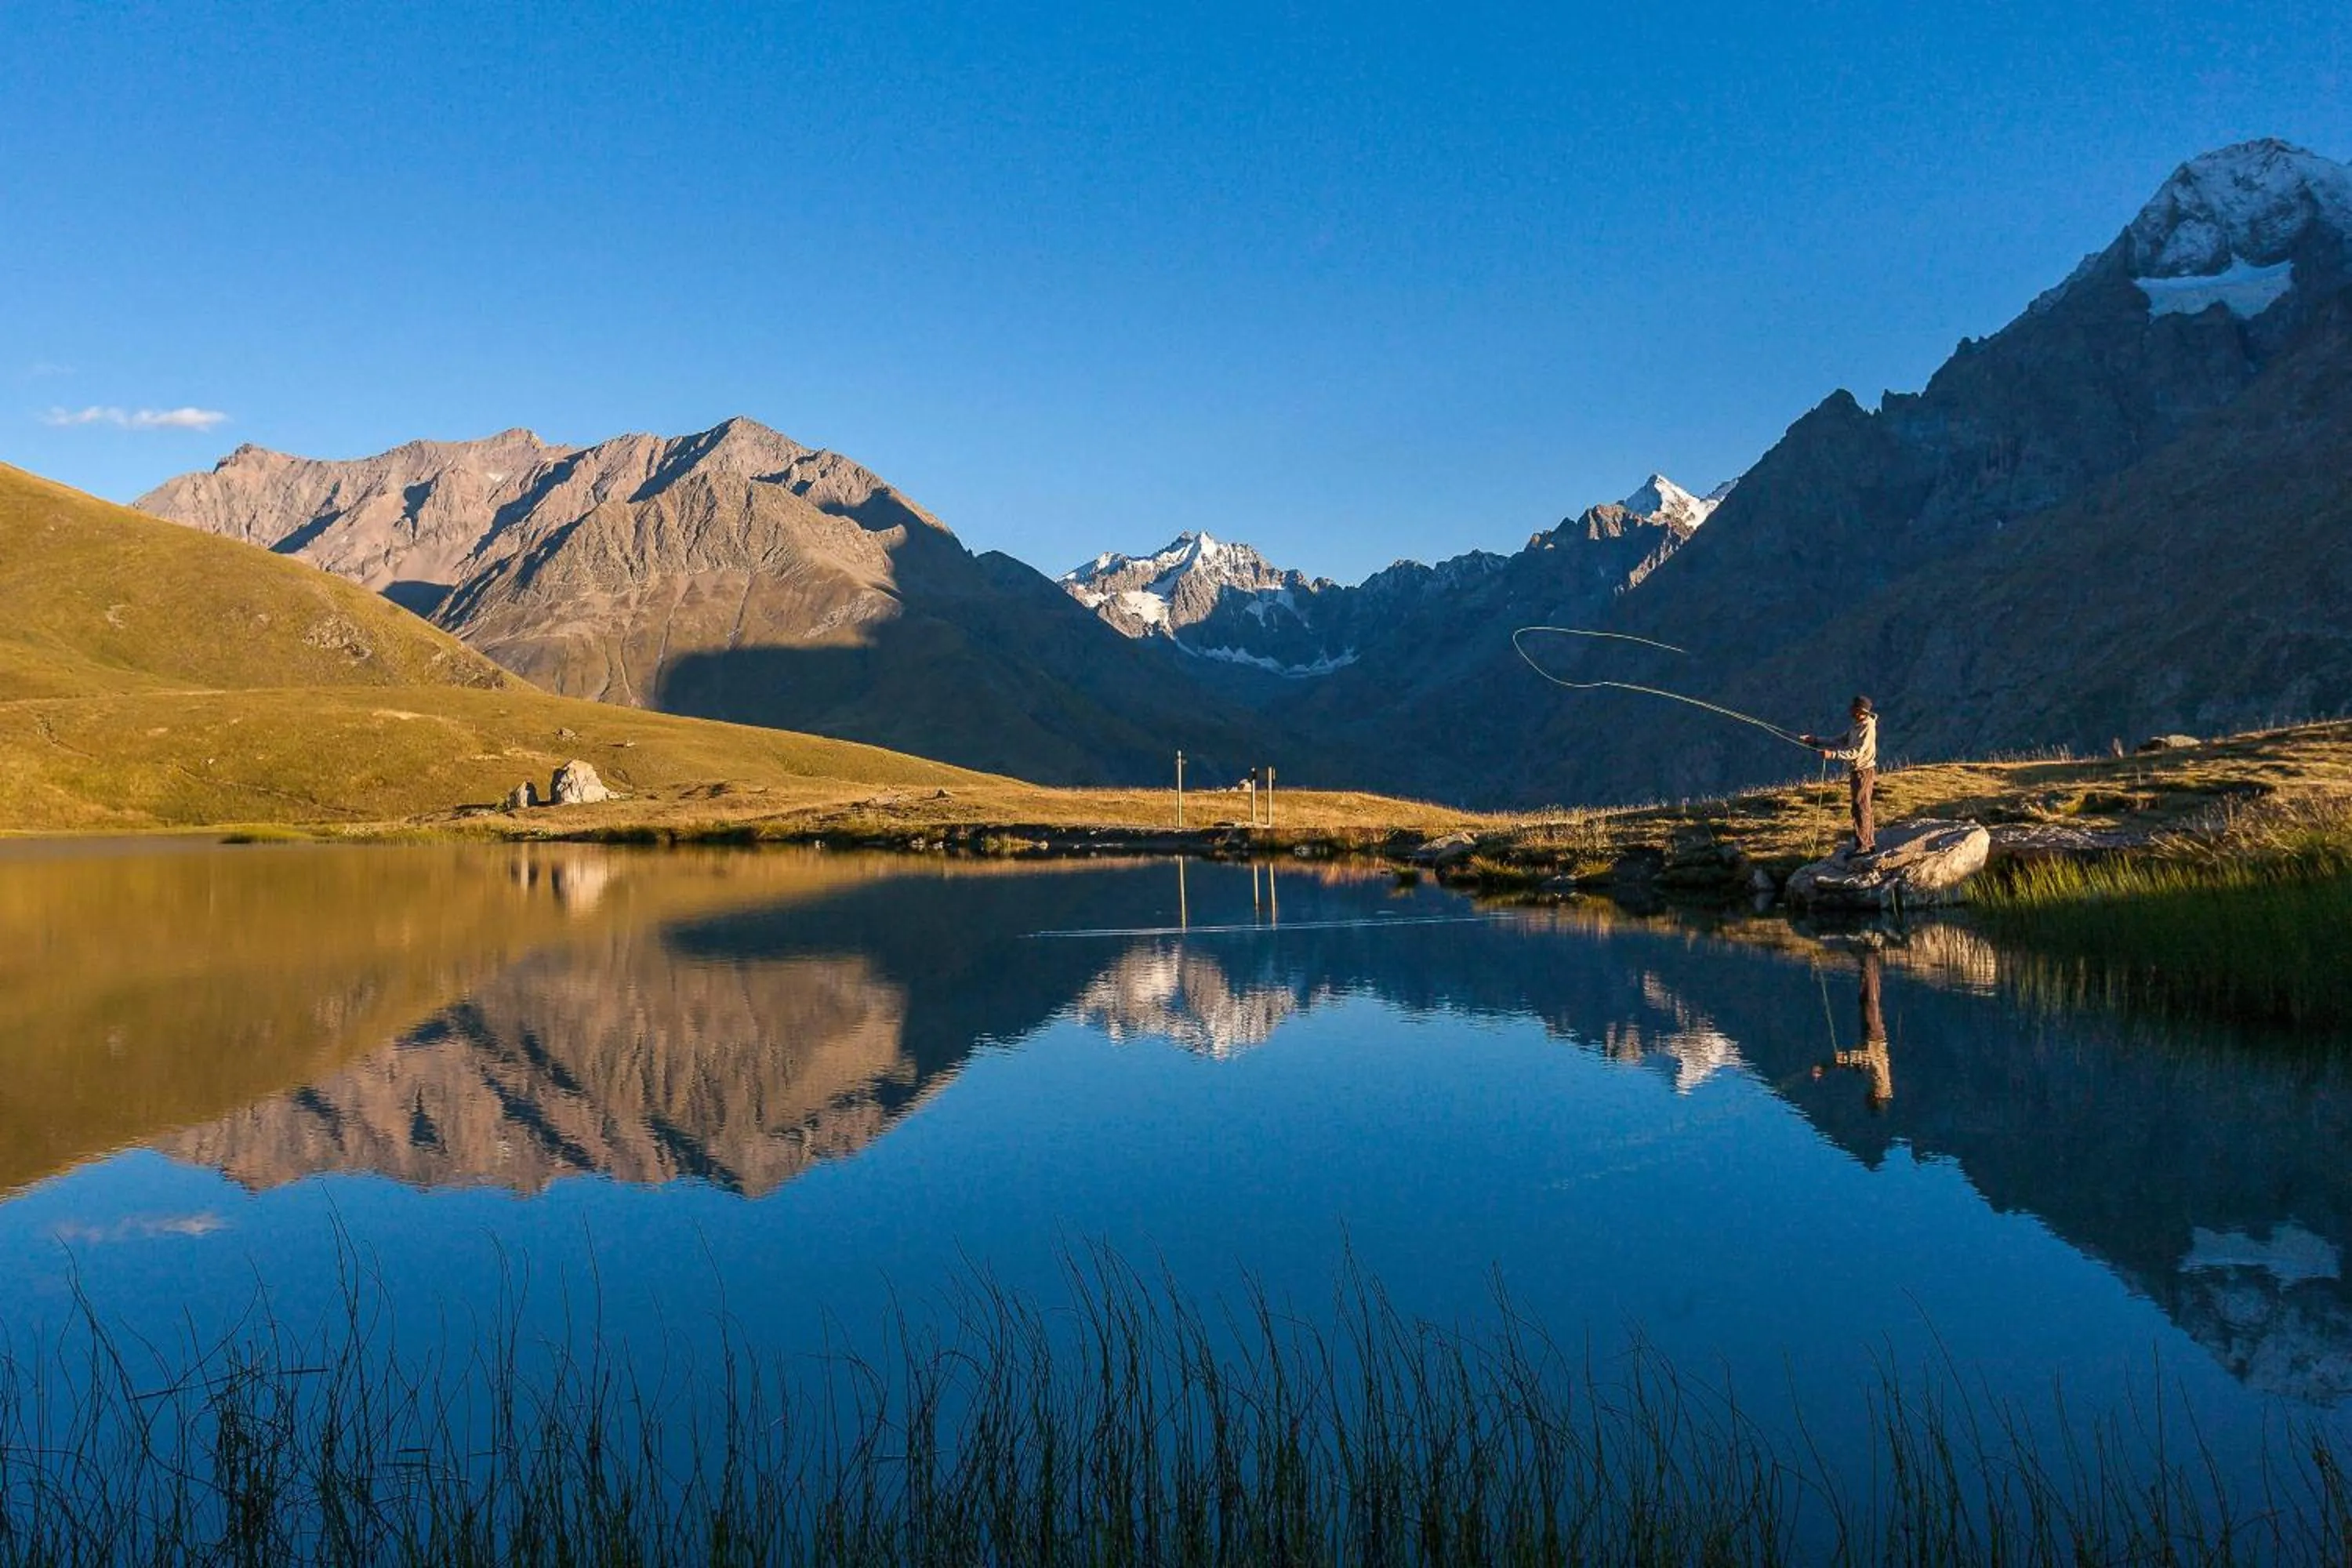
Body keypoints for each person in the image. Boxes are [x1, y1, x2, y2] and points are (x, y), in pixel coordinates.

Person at [1805, 695, 1878, 855]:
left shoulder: (1867, 728)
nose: (1850, 710)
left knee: (1860, 807)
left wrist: (1832, 755)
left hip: (1863, 772)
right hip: (1858, 771)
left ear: (1861, 711)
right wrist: (1816, 741)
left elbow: (1856, 752)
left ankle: (1864, 846)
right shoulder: (1858, 725)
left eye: (1853, 708)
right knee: (1862, 806)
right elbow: (1841, 740)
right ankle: (1867, 843)